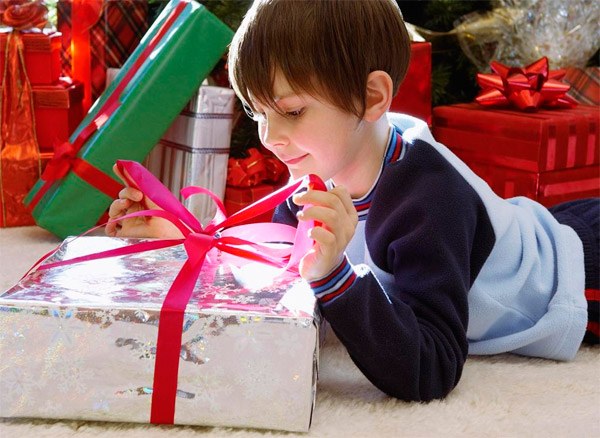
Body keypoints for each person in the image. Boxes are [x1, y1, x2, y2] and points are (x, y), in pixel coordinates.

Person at [106, 0, 599, 402]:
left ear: (372, 98)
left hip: (574, 273)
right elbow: (267, 285)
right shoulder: (312, 184)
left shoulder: (429, 201)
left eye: (293, 111)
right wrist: (176, 239)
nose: (271, 137)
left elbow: (431, 368)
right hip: (540, 225)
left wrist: (334, 275)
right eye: (258, 112)